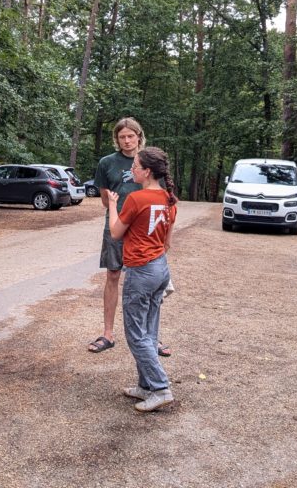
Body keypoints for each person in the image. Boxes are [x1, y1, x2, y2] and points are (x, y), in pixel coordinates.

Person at [87, 118, 172, 356]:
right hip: (116, 225)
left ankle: (150, 337)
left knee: (146, 281)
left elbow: (161, 195)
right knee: (113, 275)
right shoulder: (107, 163)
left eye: (130, 136)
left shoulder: (150, 161)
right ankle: (108, 334)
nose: (126, 141)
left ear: (138, 136)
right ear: (117, 139)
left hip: (145, 229)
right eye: (122, 137)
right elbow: (105, 199)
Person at [107, 147, 178, 412]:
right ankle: (145, 385)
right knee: (149, 331)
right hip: (160, 268)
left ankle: (160, 388)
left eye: (135, 166)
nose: (132, 170)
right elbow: (167, 242)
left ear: (147, 171)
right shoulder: (170, 199)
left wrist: (113, 205)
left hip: (140, 272)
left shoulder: (137, 199)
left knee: (136, 334)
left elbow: (115, 232)